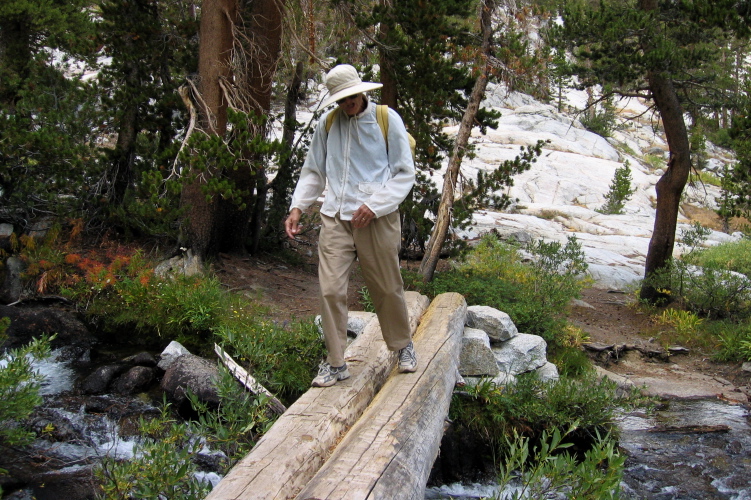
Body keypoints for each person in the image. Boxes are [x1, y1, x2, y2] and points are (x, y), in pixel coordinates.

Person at [284, 64, 417, 387]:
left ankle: (402, 346)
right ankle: (336, 363)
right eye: (341, 101)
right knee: (330, 290)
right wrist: (298, 206)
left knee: (386, 287)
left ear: (361, 91)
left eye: (350, 98)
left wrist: (374, 205)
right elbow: (314, 171)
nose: (347, 105)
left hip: (377, 218)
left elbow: (404, 173)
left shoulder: (387, 120)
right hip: (335, 217)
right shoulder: (328, 124)